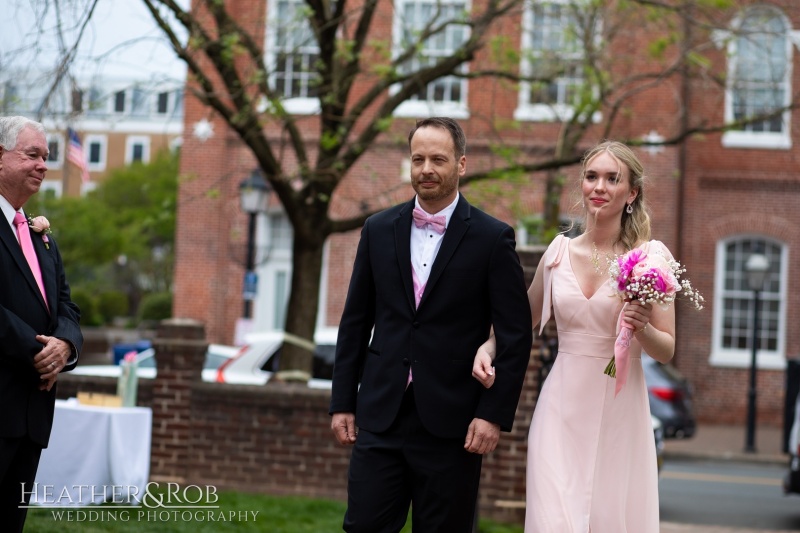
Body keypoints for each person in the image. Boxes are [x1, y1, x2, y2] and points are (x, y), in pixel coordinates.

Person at [329, 117, 532, 532]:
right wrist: (342, 401)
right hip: (381, 416)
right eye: (418, 158)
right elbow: (354, 323)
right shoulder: (377, 229)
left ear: (461, 164)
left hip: (453, 425)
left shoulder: (493, 239)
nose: (426, 168)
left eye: (438, 159)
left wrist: (492, 415)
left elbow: (516, 335)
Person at [473, 140, 675, 532]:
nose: (599, 186)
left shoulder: (651, 259)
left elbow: (666, 350)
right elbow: (521, 319)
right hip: (560, 410)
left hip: (620, 411)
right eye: (591, 176)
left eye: (612, 179)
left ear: (631, 192)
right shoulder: (558, 252)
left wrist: (642, 325)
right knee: (553, 519)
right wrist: (489, 345)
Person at [0, 116, 83, 530]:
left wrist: (64, 347)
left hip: (32, 413)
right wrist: (40, 352)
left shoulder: (40, 235)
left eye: (46, 158)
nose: (43, 165)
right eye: (31, 154)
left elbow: (67, 306)